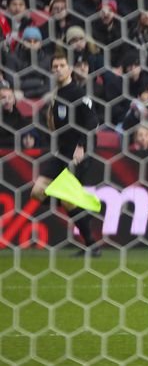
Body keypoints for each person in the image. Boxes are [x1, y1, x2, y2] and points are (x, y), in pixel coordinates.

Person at [30, 51, 103, 256]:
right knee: (37, 192)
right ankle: (81, 211)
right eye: (55, 67)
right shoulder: (57, 94)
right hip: (62, 152)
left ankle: (91, 245)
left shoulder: (78, 94)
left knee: (66, 199)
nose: (58, 69)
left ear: (70, 69)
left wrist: (81, 146)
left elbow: (92, 122)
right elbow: (56, 126)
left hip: (78, 153)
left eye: (62, 65)